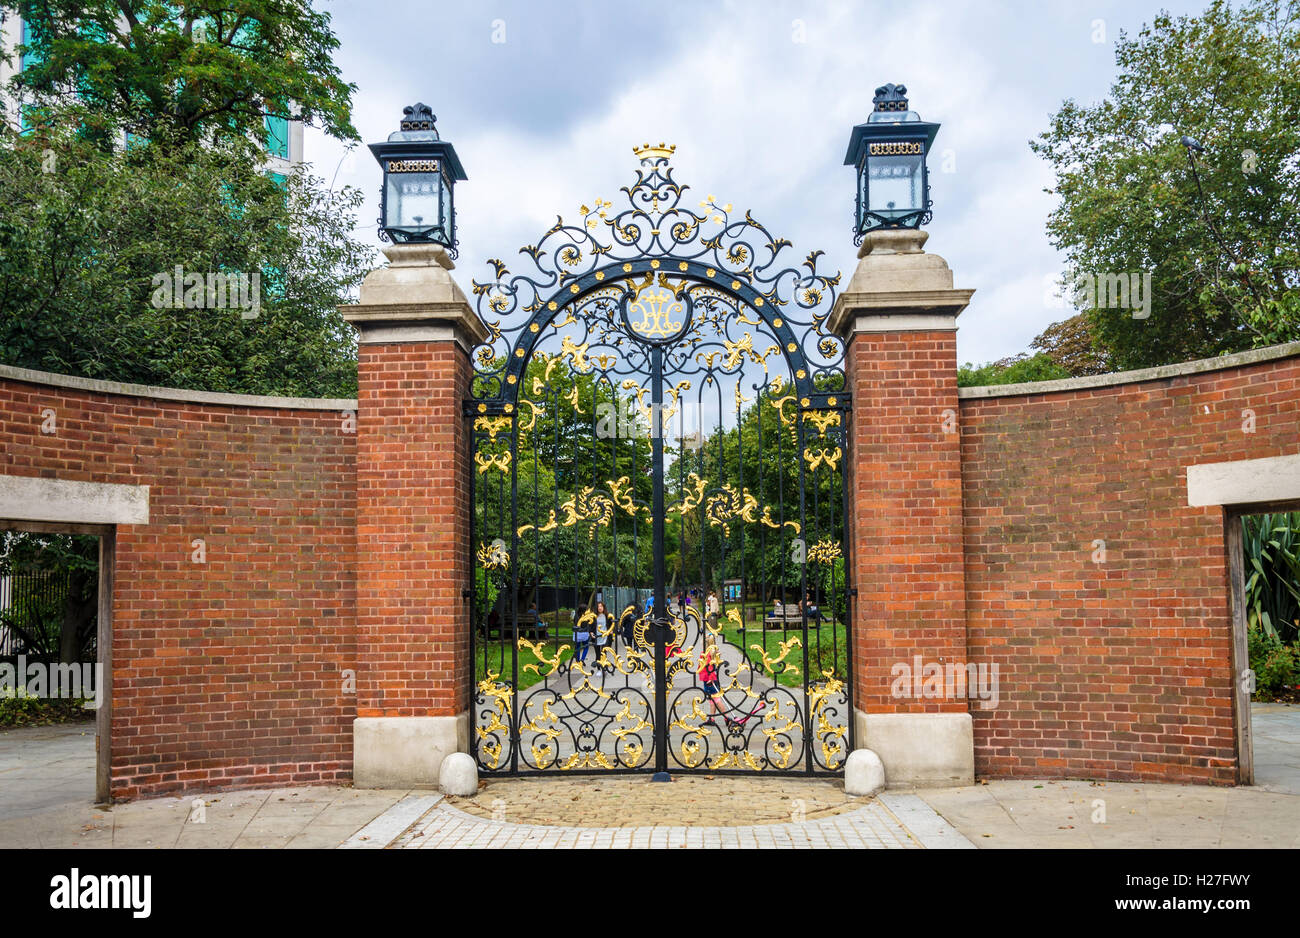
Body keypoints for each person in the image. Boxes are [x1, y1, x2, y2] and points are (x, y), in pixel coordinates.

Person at [698, 643, 726, 725]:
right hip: (710, 679)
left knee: (716, 699)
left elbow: (710, 667)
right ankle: (712, 719)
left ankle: (726, 717)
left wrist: (710, 678)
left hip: (709, 680)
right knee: (712, 700)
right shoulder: (711, 652)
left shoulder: (707, 654)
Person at [592, 600, 611, 669]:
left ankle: (604, 667)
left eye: (601, 606)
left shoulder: (607, 615)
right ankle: (599, 669)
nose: (600, 608)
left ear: (604, 607)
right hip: (596, 636)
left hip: (605, 636)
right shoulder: (594, 616)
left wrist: (610, 630)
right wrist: (591, 633)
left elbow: (611, 624)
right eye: (598, 606)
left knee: (603, 653)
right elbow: (590, 625)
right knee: (597, 654)